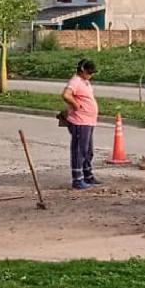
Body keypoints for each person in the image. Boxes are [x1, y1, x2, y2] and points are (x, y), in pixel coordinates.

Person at [62, 58, 101, 190]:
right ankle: (77, 180)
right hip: (80, 121)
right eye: (89, 73)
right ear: (82, 71)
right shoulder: (75, 81)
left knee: (88, 151)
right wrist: (75, 104)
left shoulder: (85, 82)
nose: (91, 75)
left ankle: (87, 175)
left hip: (88, 121)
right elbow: (66, 95)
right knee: (79, 151)